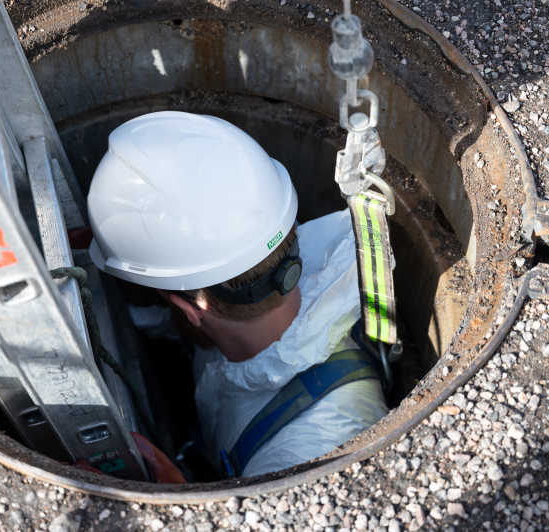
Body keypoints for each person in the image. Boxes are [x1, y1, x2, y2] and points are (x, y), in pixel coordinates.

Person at [88, 111, 388, 478]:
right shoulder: (260, 272)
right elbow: (189, 330)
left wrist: (181, 502)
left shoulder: (311, 452)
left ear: (191, 308)